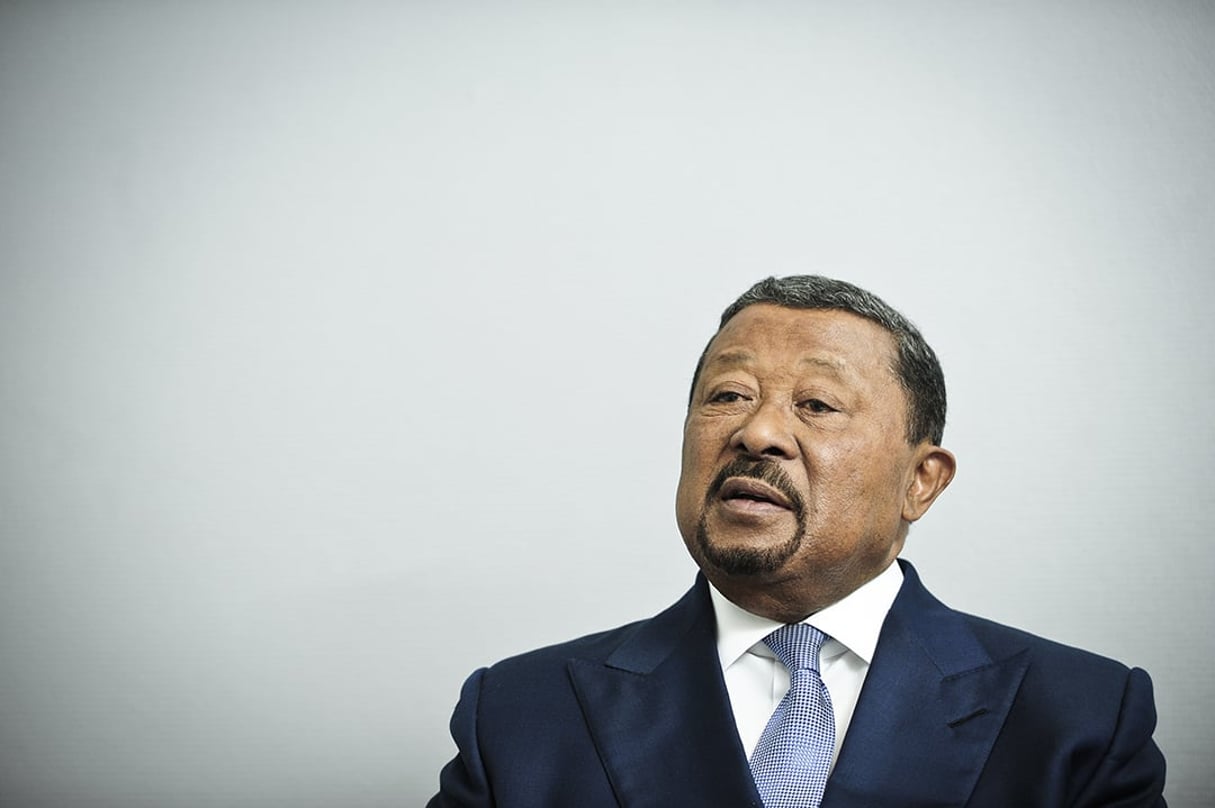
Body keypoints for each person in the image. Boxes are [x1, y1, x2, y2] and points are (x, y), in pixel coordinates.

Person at [427, 275, 1167, 807]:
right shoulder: (518, 713)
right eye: (727, 397)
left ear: (922, 481)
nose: (756, 431)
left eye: (815, 404)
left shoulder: (1081, 717)